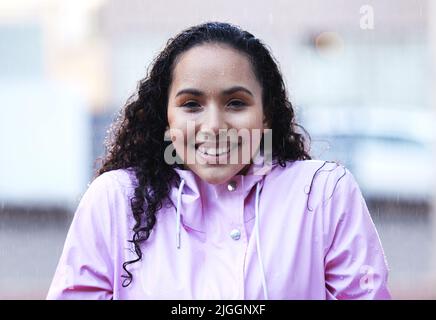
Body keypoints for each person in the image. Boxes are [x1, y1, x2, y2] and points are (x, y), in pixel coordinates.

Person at [47, 22, 391, 300]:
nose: (213, 126)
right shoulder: (114, 199)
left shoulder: (323, 192)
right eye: (192, 104)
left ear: (266, 114)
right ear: (165, 117)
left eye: (236, 103)